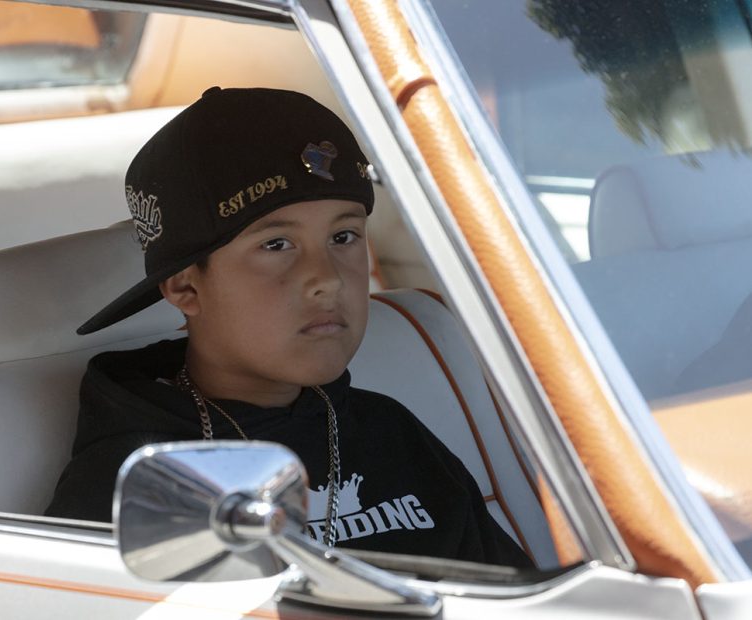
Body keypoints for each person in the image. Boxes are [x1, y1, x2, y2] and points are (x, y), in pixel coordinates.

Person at [46, 86, 531, 568]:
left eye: (343, 237)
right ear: (185, 289)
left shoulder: (388, 430)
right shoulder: (139, 481)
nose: (326, 279)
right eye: (276, 244)